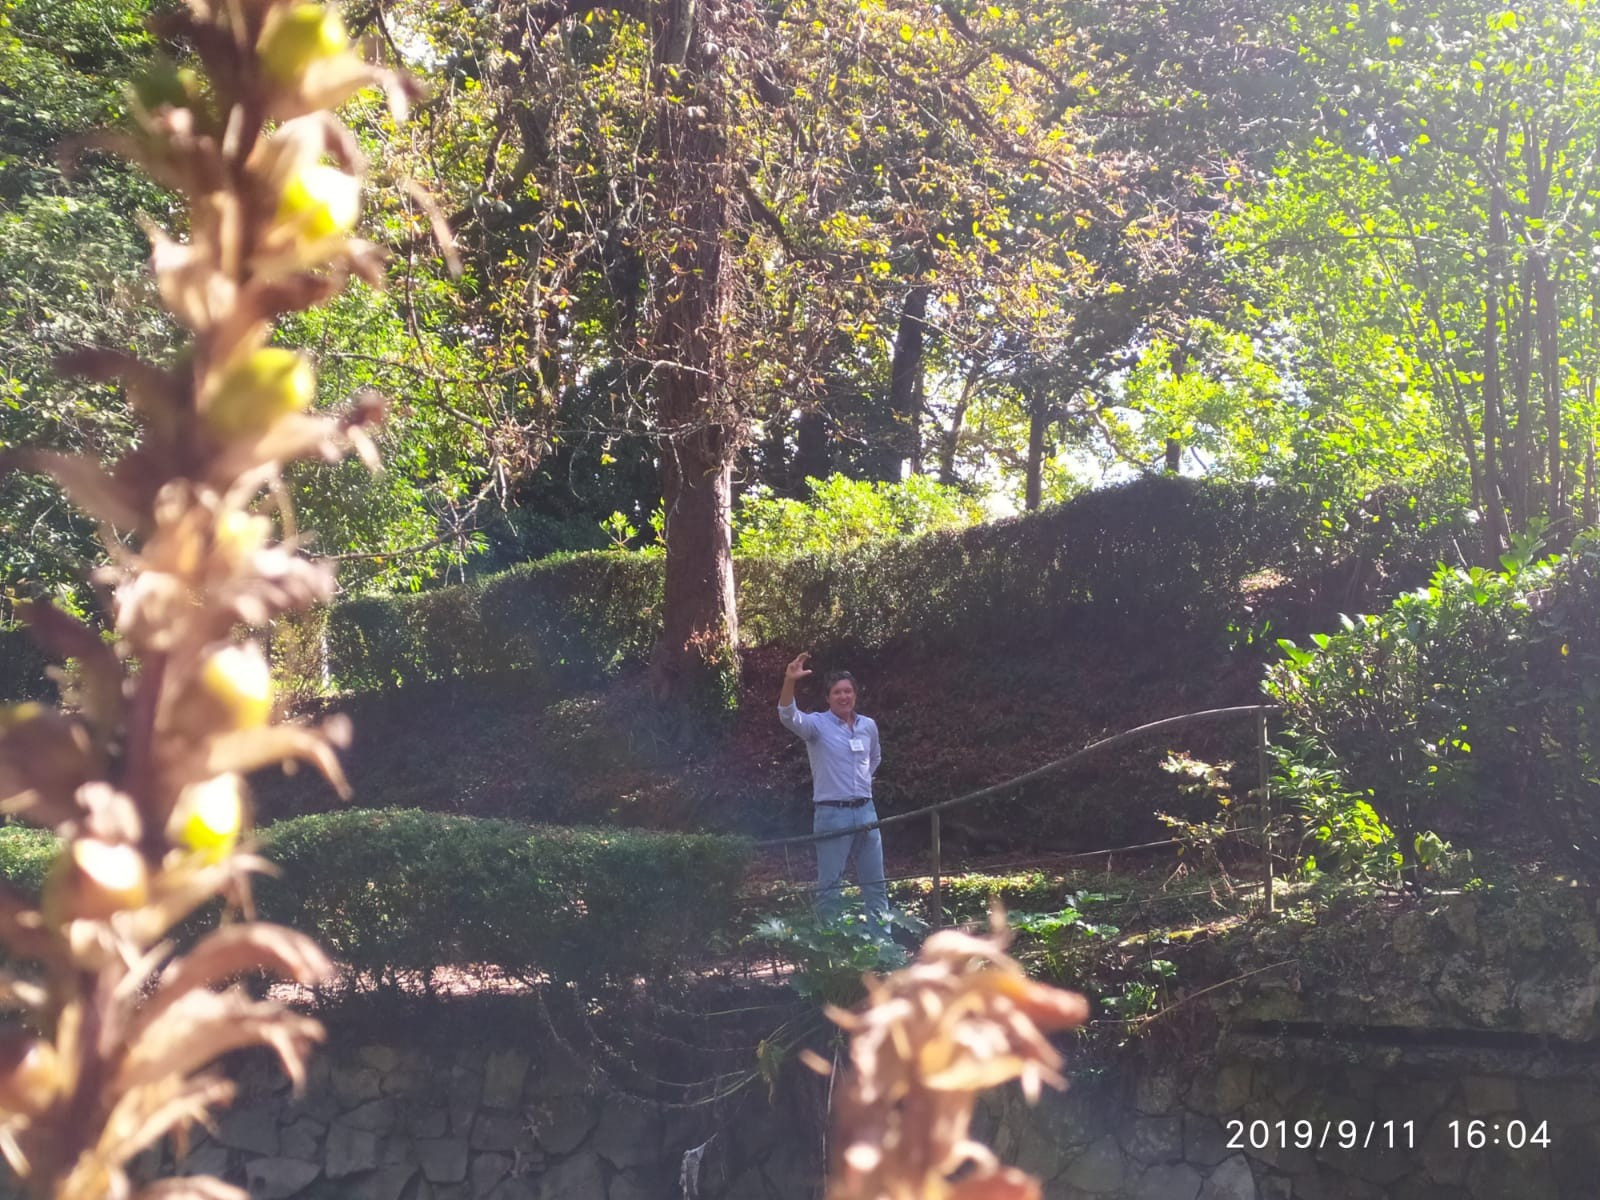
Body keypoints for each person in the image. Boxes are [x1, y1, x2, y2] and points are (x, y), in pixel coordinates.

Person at [777, 651, 889, 932]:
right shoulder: (817, 724)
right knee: (830, 888)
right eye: (837, 692)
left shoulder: (868, 726)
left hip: (867, 812)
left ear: (855, 695)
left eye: (848, 691)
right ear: (828, 698)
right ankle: (832, 956)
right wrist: (790, 681)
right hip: (831, 814)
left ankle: (883, 950)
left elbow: (874, 758)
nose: (844, 697)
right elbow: (788, 716)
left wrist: (861, 785)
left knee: (876, 886)